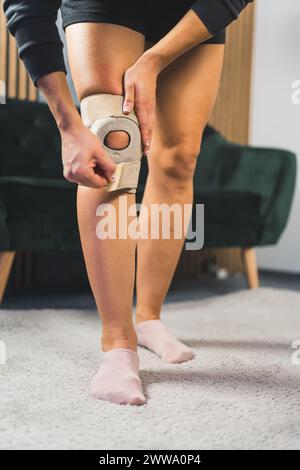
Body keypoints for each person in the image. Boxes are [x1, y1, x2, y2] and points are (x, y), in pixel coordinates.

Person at [4, 0, 254, 406]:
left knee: (179, 160)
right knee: (114, 141)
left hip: (190, 10)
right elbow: (26, 8)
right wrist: (69, 125)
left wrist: (153, 61)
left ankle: (150, 318)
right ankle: (118, 344)